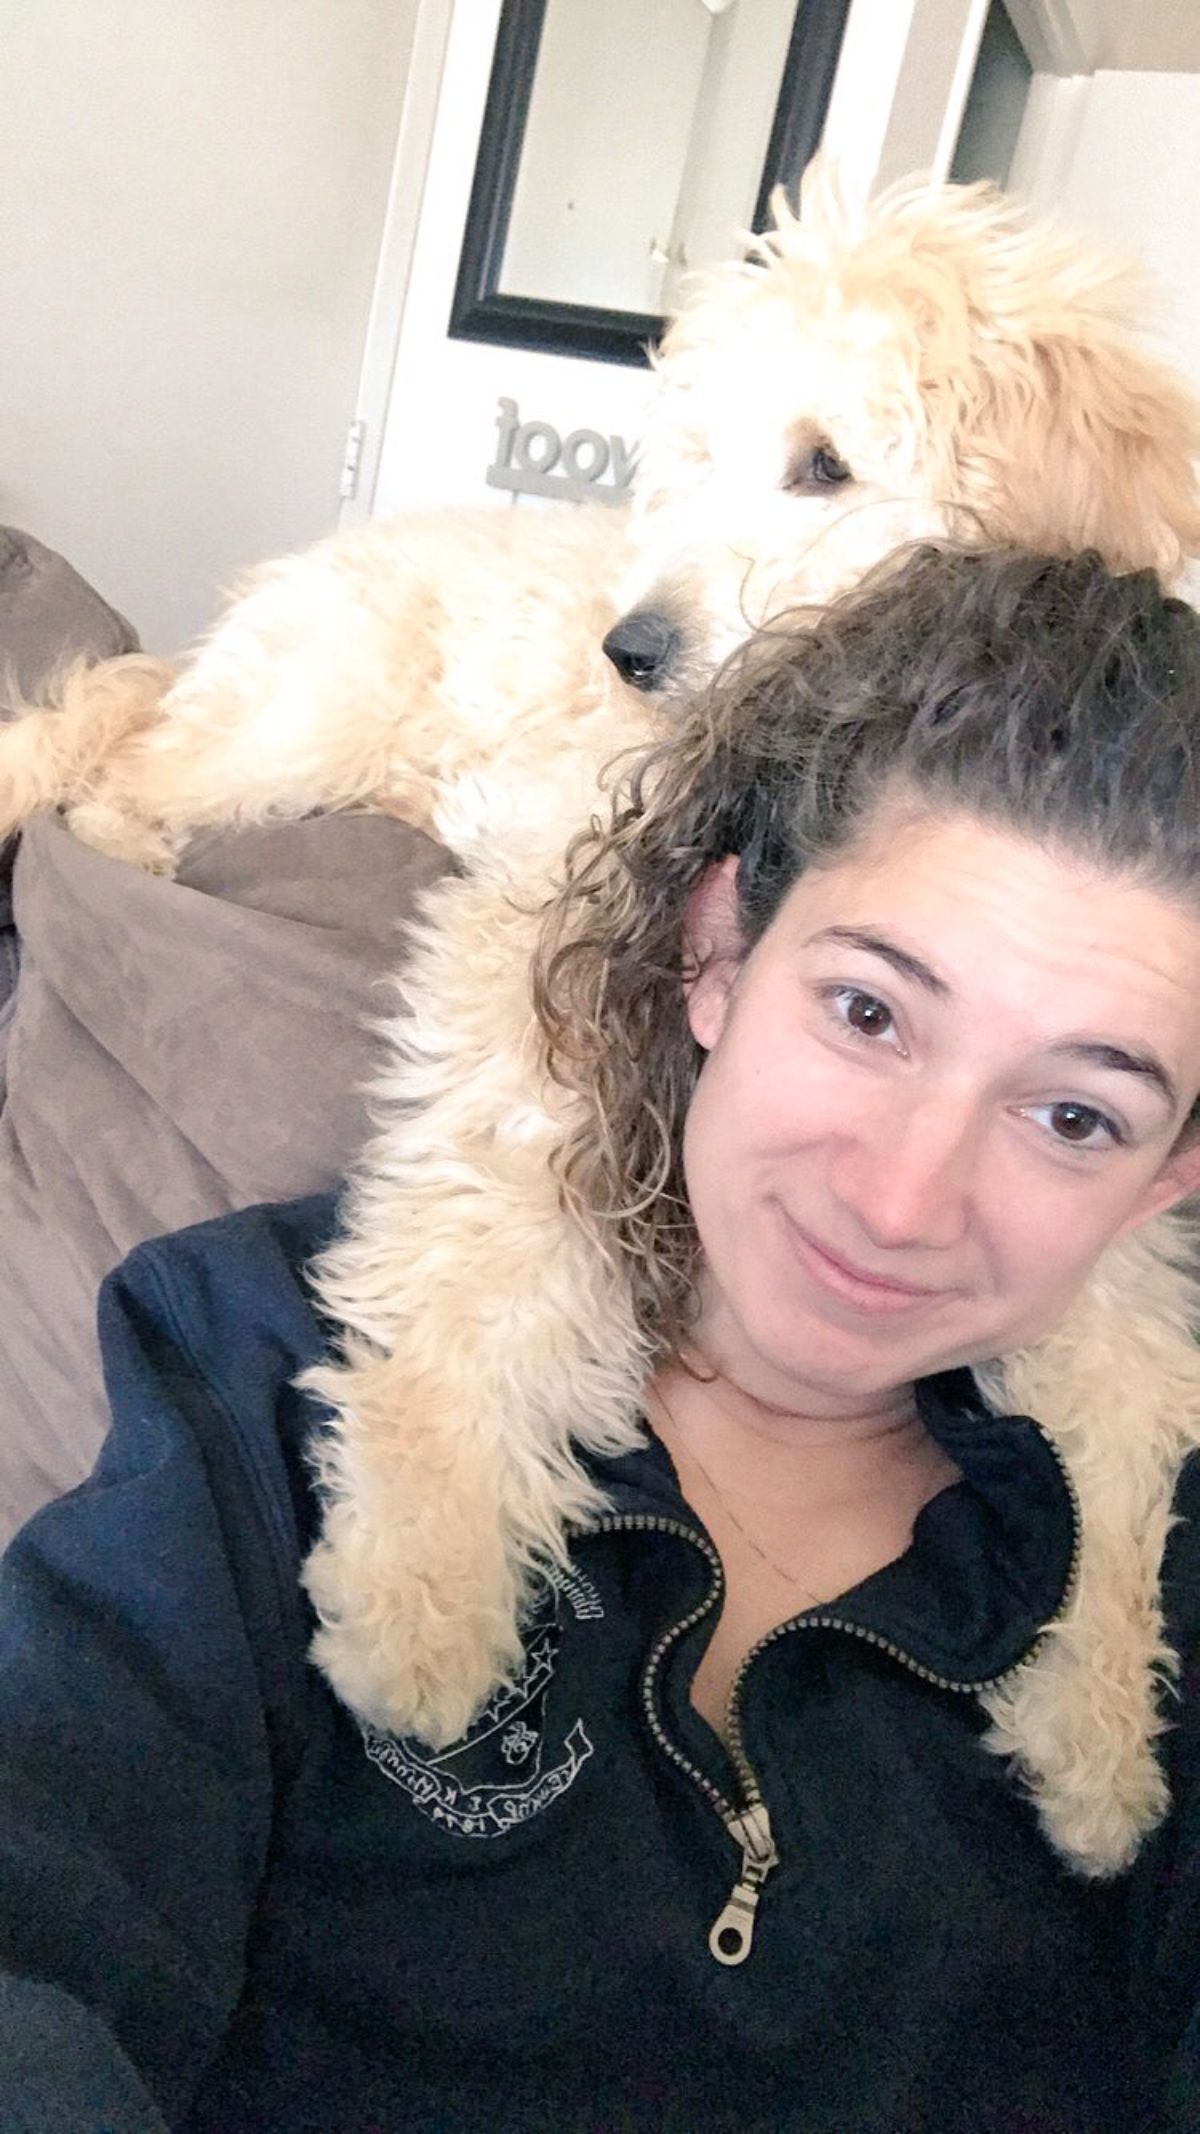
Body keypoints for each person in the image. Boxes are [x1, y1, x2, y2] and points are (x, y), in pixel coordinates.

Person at [4, 544, 1200, 2133]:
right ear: (718, 949)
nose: (907, 1200)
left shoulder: (1165, 1579)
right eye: (869, 1012)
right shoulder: (263, 1365)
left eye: (1071, 1112)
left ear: (1167, 1175)